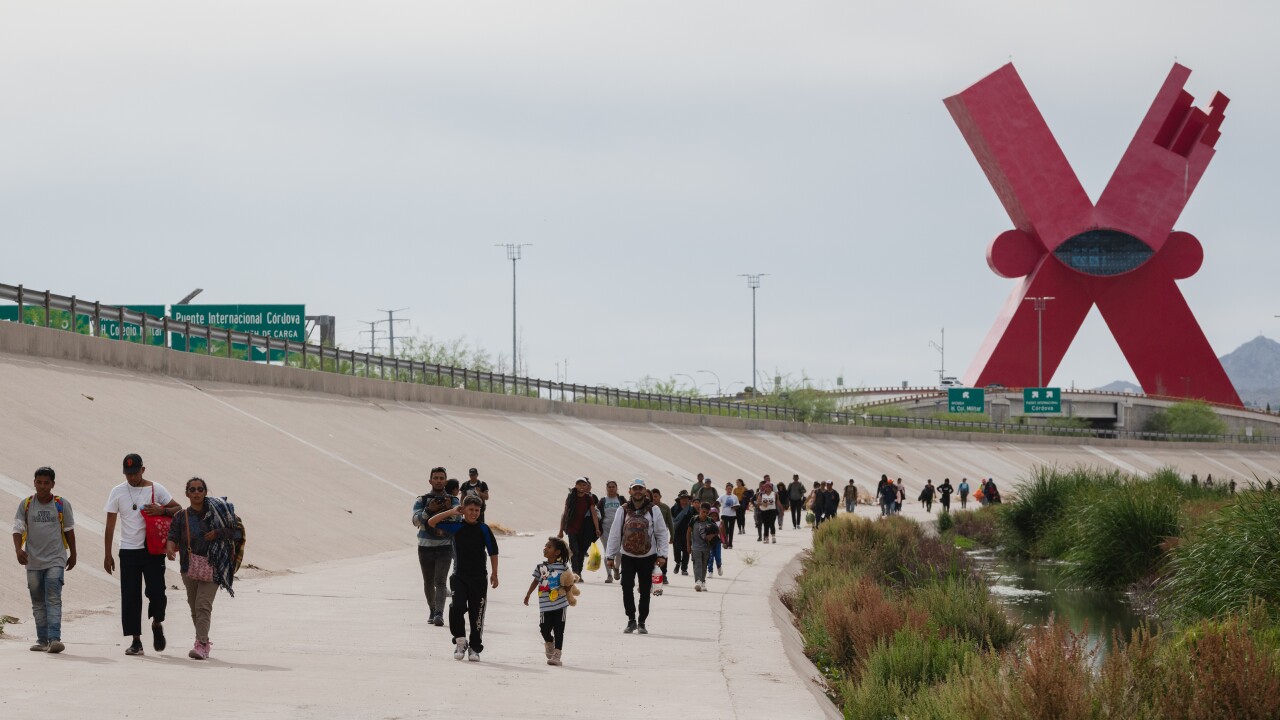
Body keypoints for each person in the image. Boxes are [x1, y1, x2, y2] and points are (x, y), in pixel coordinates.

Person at [104, 453, 182, 656]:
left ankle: (157, 623)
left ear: (143, 470)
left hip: (152, 550)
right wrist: (107, 554)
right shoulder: (118, 491)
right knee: (130, 596)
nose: (131, 477)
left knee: (157, 592)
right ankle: (136, 640)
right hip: (128, 550)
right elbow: (110, 525)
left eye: (135, 472)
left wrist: (162, 510)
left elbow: (179, 509)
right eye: (128, 473)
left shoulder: (156, 488)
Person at [164, 477, 242, 660]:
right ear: (187, 494)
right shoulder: (181, 516)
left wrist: (218, 533)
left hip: (213, 566)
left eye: (200, 489)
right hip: (188, 567)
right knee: (194, 607)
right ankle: (202, 641)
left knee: (203, 606)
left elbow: (236, 532)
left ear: (206, 492)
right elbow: (172, 536)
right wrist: (169, 549)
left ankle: (201, 644)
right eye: (193, 490)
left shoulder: (218, 513)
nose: (197, 492)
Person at [12, 466, 76, 653]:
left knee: (53, 598)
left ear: (52, 484)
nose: (42, 486)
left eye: (46, 483)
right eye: (39, 482)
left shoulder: (61, 504)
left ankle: (54, 639)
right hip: (32, 561)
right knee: (38, 601)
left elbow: (69, 530)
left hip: (56, 559)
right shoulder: (26, 504)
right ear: (34, 482)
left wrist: (73, 553)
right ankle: (42, 640)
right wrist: (18, 550)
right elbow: (17, 529)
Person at [428, 496, 500, 662]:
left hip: (479, 578)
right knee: (457, 607)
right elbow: (432, 522)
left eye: (477, 510)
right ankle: (460, 641)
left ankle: (474, 647)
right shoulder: (456, 527)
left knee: (477, 613)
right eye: (470, 510)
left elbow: (493, 551)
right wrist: (452, 511)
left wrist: (495, 573)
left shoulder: (484, 529)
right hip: (459, 576)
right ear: (463, 509)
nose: (474, 513)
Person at [604, 479, 669, 634]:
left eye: (640, 489)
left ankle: (642, 622)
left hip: (648, 556)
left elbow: (661, 533)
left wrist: (662, 555)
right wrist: (610, 556)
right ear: (630, 491)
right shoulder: (623, 510)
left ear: (645, 491)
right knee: (626, 586)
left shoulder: (654, 510)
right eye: (635, 489)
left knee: (645, 589)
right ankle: (631, 619)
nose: (637, 491)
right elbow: (615, 533)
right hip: (627, 556)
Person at [414, 467, 459, 627]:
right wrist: (428, 510)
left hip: (445, 547)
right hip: (425, 546)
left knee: (440, 582)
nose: (439, 481)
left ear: (445, 481)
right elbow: (416, 521)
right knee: (428, 582)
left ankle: (439, 613)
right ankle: (432, 610)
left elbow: (458, 521)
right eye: (436, 478)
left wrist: (447, 509)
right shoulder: (422, 500)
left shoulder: (453, 501)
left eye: (441, 478)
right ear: (430, 481)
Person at [523, 536, 571, 667]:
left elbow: (569, 581)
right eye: (545, 546)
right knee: (544, 628)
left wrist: (569, 591)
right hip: (545, 605)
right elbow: (535, 581)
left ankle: (557, 654)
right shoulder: (540, 567)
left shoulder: (563, 567)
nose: (545, 548)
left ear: (557, 552)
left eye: (549, 547)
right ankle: (549, 642)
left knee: (559, 630)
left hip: (560, 604)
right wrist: (528, 594)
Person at [558, 477, 601, 579]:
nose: (582, 487)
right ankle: (575, 572)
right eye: (580, 485)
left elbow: (594, 514)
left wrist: (597, 528)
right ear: (576, 485)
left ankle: (579, 572)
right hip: (572, 527)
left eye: (584, 485)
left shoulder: (588, 498)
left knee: (581, 551)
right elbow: (565, 513)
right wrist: (561, 530)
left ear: (586, 486)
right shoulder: (571, 496)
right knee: (574, 550)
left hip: (584, 528)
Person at [686, 502, 717, 592]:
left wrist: (711, 536)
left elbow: (717, 530)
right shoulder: (694, 520)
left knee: (704, 565)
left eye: (707, 513)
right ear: (699, 510)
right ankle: (698, 581)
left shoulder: (710, 521)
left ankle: (703, 581)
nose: (705, 514)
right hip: (696, 547)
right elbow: (688, 532)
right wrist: (688, 545)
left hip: (706, 547)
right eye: (703, 512)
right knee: (697, 564)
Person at [597, 481, 624, 583]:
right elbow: (597, 514)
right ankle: (609, 575)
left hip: (619, 530)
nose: (611, 488)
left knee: (619, 552)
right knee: (608, 552)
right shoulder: (603, 501)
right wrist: (598, 529)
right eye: (609, 487)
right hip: (605, 529)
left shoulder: (621, 500)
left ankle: (616, 568)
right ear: (606, 488)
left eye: (613, 487)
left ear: (616, 488)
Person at [650, 488, 673, 585]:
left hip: (661, 536)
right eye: (653, 496)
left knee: (663, 554)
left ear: (660, 497)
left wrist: (672, 535)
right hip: (651, 536)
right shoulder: (649, 508)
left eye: (656, 496)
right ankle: (652, 574)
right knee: (652, 555)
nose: (654, 498)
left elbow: (670, 522)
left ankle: (664, 574)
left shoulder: (665, 508)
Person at [671, 491, 694, 576]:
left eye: (686, 498)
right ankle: (677, 563)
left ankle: (684, 568)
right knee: (676, 549)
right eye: (683, 498)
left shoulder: (691, 509)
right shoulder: (674, 508)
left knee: (686, 550)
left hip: (687, 533)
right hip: (676, 532)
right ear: (679, 499)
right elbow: (671, 520)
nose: (684, 500)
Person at [717, 483, 738, 549]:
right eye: (728, 488)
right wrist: (718, 507)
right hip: (724, 514)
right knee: (725, 529)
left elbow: (737, 505)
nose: (729, 490)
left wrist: (735, 507)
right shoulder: (722, 496)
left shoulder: (735, 496)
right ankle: (725, 542)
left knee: (731, 529)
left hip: (732, 515)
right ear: (725, 489)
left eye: (730, 488)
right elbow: (717, 502)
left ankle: (730, 544)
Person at [707, 506, 724, 577]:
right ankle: (710, 571)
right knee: (710, 557)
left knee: (718, 557)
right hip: (709, 543)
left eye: (715, 516)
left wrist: (725, 542)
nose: (714, 517)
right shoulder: (706, 523)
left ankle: (719, 567)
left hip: (717, 542)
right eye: (712, 516)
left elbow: (722, 533)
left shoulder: (719, 523)